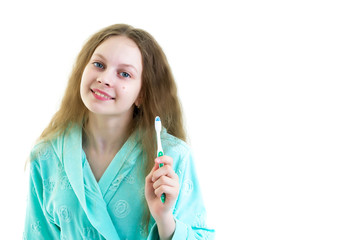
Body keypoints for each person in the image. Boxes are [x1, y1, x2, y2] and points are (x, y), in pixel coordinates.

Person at [23, 24, 215, 239]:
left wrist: (165, 219)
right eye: (98, 64)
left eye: (124, 74)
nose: (105, 78)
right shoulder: (45, 155)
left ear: (142, 94)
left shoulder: (174, 157)